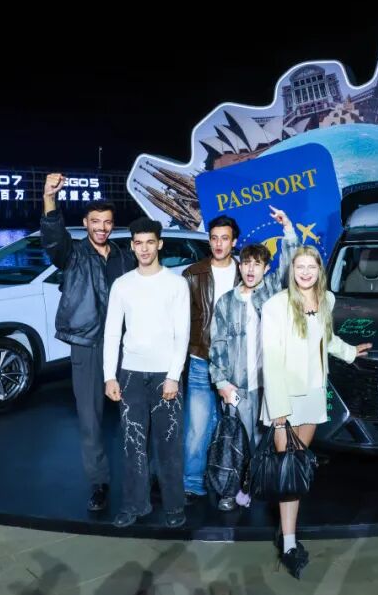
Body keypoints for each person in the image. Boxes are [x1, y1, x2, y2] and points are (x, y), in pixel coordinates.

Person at [261, 246, 373, 578]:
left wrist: (350, 352)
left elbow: (326, 339)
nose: (306, 272)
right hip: (285, 398)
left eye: (311, 267)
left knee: (295, 469)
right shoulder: (276, 305)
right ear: (292, 269)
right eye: (300, 266)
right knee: (287, 470)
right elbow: (271, 358)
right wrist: (279, 410)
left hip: (312, 396)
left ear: (319, 270)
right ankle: (289, 544)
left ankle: (287, 533)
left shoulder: (326, 300)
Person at [41, 173, 136, 512]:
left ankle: (142, 475)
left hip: (123, 346)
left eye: (107, 222)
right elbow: (53, 238)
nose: (101, 227)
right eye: (95, 221)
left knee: (134, 414)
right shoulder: (72, 254)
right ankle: (99, 483)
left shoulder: (124, 257)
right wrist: (49, 198)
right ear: (85, 223)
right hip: (87, 344)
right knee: (90, 420)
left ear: (112, 225)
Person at [208, 206, 298, 511]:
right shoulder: (226, 302)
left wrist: (288, 228)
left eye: (257, 265)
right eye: (246, 263)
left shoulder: (272, 291)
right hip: (236, 386)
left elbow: (290, 265)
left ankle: (254, 486)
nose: (250, 270)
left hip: (266, 384)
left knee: (264, 440)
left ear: (265, 268)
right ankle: (229, 491)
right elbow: (217, 344)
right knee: (234, 440)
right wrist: (221, 382)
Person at [102, 217, 190, 528]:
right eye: (138, 243)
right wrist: (109, 376)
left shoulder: (176, 284)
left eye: (150, 242)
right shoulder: (122, 285)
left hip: (165, 375)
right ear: (132, 246)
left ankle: (174, 506)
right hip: (130, 375)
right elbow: (112, 332)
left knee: (169, 446)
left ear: (159, 244)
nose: (144, 248)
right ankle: (134, 504)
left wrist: (173, 376)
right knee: (132, 444)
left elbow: (182, 334)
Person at [181, 215, 242, 502]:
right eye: (214, 238)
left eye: (224, 238)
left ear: (234, 241)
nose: (219, 244)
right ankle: (192, 482)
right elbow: (181, 322)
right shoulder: (193, 274)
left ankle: (231, 482)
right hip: (201, 360)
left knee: (235, 427)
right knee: (198, 426)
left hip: (235, 364)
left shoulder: (245, 272)